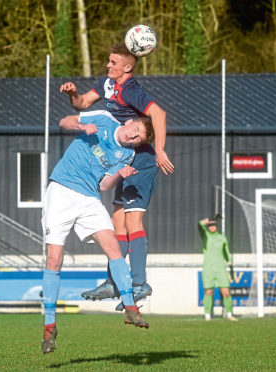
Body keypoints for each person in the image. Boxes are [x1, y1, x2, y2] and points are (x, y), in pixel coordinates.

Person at [60, 43, 174, 310]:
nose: (108, 65)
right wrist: (73, 93)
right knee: (117, 221)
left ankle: (139, 283)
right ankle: (114, 280)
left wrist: (159, 149)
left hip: (142, 160)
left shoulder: (131, 89)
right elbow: (82, 103)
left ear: (128, 67)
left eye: (113, 62)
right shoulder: (107, 84)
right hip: (125, 158)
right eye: (108, 61)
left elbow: (159, 113)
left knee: (133, 220)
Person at [41, 110, 154, 355]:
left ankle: (130, 308)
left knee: (113, 246)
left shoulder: (127, 154)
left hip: (89, 197)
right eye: (134, 130)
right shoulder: (102, 119)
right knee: (54, 259)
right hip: (61, 190)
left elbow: (104, 185)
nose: (132, 137)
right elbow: (63, 120)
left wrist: (119, 174)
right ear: (129, 122)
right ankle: (49, 326)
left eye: (137, 139)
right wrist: (83, 127)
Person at [198, 215, 237, 321]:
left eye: (213, 225)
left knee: (226, 292)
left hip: (221, 268)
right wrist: (204, 221)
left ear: (216, 226)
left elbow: (226, 251)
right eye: (210, 225)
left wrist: (229, 262)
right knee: (208, 292)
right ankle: (207, 315)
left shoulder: (222, 237)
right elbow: (200, 226)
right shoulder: (205, 235)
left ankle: (229, 314)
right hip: (208, 268)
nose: (212, 227)